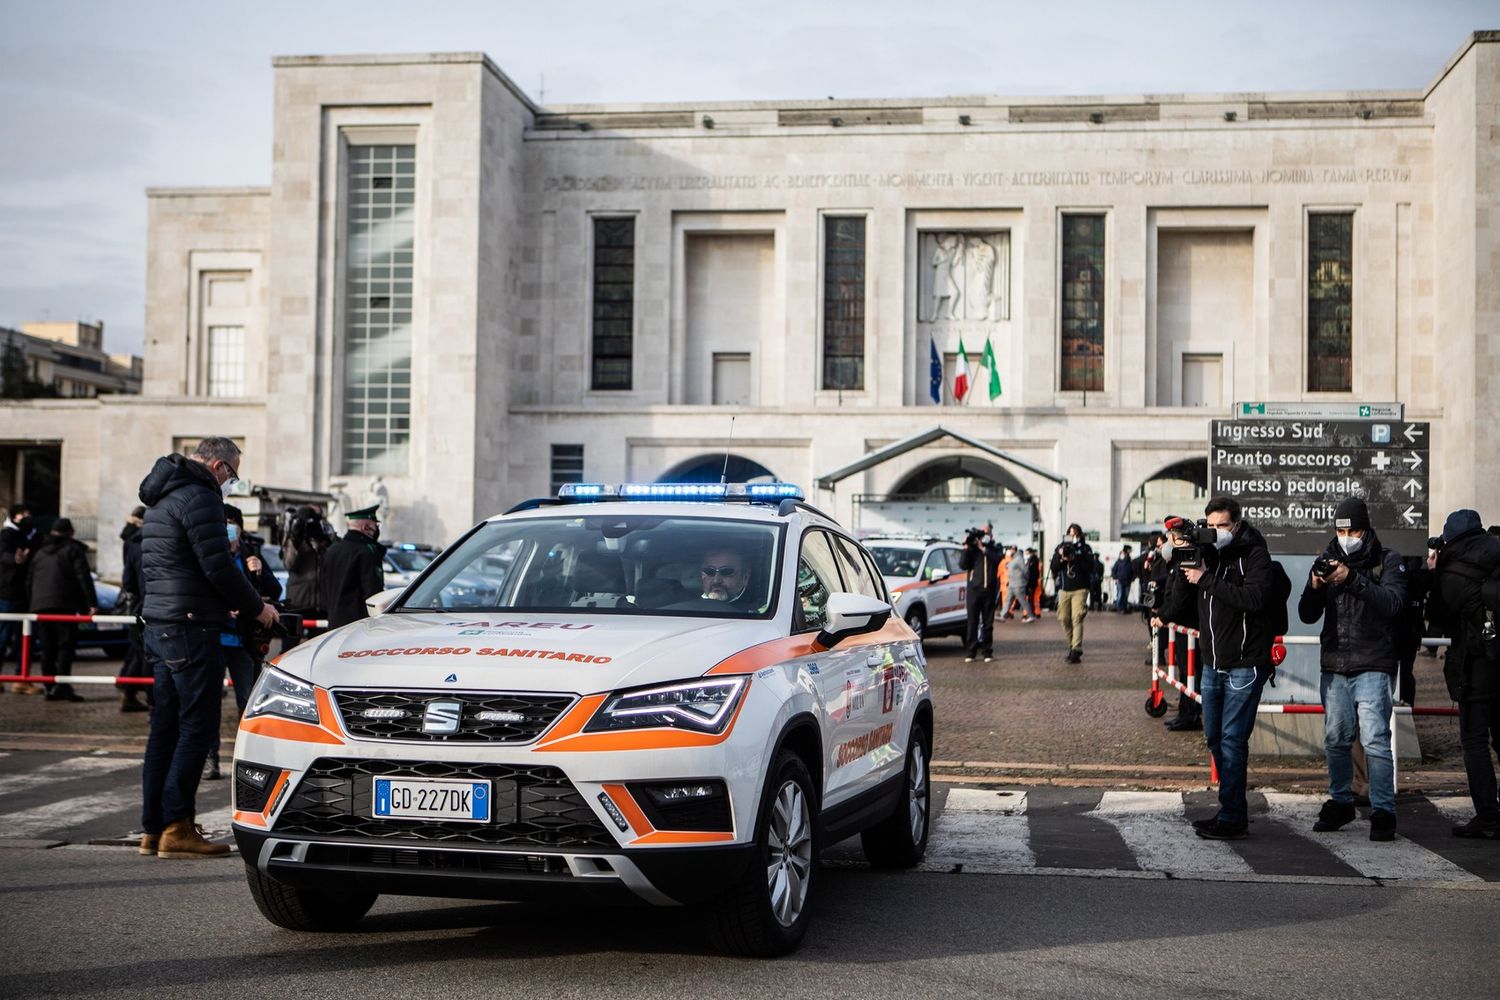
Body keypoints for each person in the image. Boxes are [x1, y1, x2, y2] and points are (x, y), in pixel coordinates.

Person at [138, 436, 278, 859]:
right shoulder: (201, 497)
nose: (231, 483)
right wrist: (258, 609)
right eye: (233, 475)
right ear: (219, 466)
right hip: (191, 625)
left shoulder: (161, 496)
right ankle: (178, 826)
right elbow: (218, 566)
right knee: (197, 726)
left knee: (164, 727)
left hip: (162, 622)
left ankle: (154, 828)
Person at [1296, 497, 1407, 842]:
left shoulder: (1387, 560)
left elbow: (1393, 604)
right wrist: (1315, 585)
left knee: (1375, 739)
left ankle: (1383, 810)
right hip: (1335, 664)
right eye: (1340, 530)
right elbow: (1306, 614)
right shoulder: (1327, 558)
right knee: (1335, 739)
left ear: (1365, 528)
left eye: (1352, 530)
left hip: (1373, 662)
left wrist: (1352, 579)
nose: (1345, 536)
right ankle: (1341, 801)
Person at [1179, 497, 1277, 840]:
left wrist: (1205, 579)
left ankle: (1233, 816)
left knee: (1234, 740)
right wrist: (1183, 551)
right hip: (1213, 664)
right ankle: (1229, 807)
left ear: (1237, 524)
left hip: (1245, 664)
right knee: (1215, 737)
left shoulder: (1255, 555)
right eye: (1211, 526)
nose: (1216, 532)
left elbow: (1253, 599)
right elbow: (1179, 598)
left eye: (1222, 526)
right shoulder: (1209, 554)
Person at [1428, 509, 1500, 839]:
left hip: (1476, 665)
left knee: (1474, 741)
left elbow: (1438, 618)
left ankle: (1488, 817)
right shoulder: (1495, 552)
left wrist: (1434, 570)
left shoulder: (1452, 569)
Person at [205, 504, 284, 780]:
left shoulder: (251, 554)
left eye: (231, 523)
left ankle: (247, 759)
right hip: (214, 637)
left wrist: (259, 572)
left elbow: (275, 590)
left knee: (248, 701)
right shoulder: (210, 551)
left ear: (239, 527)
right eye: (223, 522)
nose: (227, 527)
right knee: (209, 702)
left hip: (242, 640)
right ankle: (210, 758)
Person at [26, 518, 94, 702]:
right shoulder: (73, 549)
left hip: (41, 606)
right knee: (66, 646)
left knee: (47, 648)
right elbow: (83, 577)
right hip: (64, 605)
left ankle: (49, 686)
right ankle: (62, 685)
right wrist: (91, 604)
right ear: (70, 531)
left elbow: (30, 581)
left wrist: (31, 605)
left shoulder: (39, 552)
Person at [1150, 532, 1203, 731]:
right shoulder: (1177, 562)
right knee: (1185, 672)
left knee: (1190, 672)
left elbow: (1180, 598)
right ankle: (1186, 711)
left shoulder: (1186, 561)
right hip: (1184, 625)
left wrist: (1163, 617)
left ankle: (1190, 714)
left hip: (1189, 625)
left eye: (1171, 538)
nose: (1167, 543)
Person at [320, 506, 387, 629]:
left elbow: (323, 588)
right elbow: (373, 592)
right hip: (359, 624)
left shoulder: (332, 550)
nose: (376, 529)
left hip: (334, 621)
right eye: (375, 525)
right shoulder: (367, 551)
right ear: (365, 527)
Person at [0, 502, 39, 686]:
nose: (27, 517)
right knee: (3, 636)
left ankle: (22, 678)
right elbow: (3, 555)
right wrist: (15, 560)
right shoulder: (7, 535)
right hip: (8, 592)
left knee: (25, 638)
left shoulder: (32, 534)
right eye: (23, 514)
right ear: (15, 517)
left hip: (27, 592)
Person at [116, 506, 149, 712]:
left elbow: (128, 581)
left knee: (137, 651)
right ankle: (137, 691)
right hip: (155, 606)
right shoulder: (155, 543)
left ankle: (128, 689)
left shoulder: (132, 543)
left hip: (139, 605)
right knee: (145, 654)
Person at [1050, 524, 1093, 663]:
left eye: (1075, 534)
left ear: (1079, 535)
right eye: (1070, 534)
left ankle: (1076, 649)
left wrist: (1076, 557)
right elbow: (1054, 567)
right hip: (1064, 588)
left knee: (1077, 617)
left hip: (1080, 588)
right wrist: (1061, 557)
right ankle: (1072, 644)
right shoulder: (1061, 547)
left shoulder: (1085, 549)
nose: (1072, 537)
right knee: (1063, 618)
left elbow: (1090, 567)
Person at [281, 504, 330, 621]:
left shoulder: (326, 535)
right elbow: (289, 564)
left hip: (322, 603)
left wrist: (322, 538)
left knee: (321, 638)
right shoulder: (295, 537)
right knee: (291, 637)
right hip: (298, 600)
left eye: (316, 517)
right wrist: (296, 540)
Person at [960, 528, 1001, 662]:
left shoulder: (994, 548)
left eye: (986, 533)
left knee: (988, 623)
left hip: (989, 590)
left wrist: (984, 549)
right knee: (972, 622)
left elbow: (997, 560)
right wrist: (966, 548)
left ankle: (987, 652)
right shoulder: (972, 550)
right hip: (974, 590)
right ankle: (971, 651)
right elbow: (963, 565)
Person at [700, 545, 758, 610]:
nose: (716, 580)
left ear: (745, 577)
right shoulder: (688, 608)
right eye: (709, 571)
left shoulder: (758, 615)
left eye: (726, 572)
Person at [1003, 545, 1033, 622]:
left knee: (1022, 600)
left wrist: (1025, 580)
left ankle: (1030, 615)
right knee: (1008, 600)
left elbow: (1025, 570)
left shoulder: (1019, 559)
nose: (1009, 551)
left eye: (1011, 549)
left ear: (1015, 550)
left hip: (1018, 584)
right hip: (1012, 584)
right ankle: (1002, 614)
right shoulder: (1013, 559)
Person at [1112, 546, 1135, 613]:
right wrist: (1115, 577)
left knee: (1125, 596)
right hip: (1120, 581)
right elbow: (1114, 570)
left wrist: (1132, 579)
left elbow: (1133, 571)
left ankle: (1123, 608)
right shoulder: (1119, 561)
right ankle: (1119, 608)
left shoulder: (1130, 562)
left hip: (1127, 581)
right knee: (1120, 595)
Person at [1025, 547, 1042, 619]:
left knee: (1031, 599)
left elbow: (1032, 573)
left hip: (1032, 582)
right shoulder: (1033, 560)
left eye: (1027, 553)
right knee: (1032, 599)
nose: (1026, 555)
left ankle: (1031, 613)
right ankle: (1033, 612)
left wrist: (1028, 583)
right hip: (1034, 582)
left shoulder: (1033, 561)